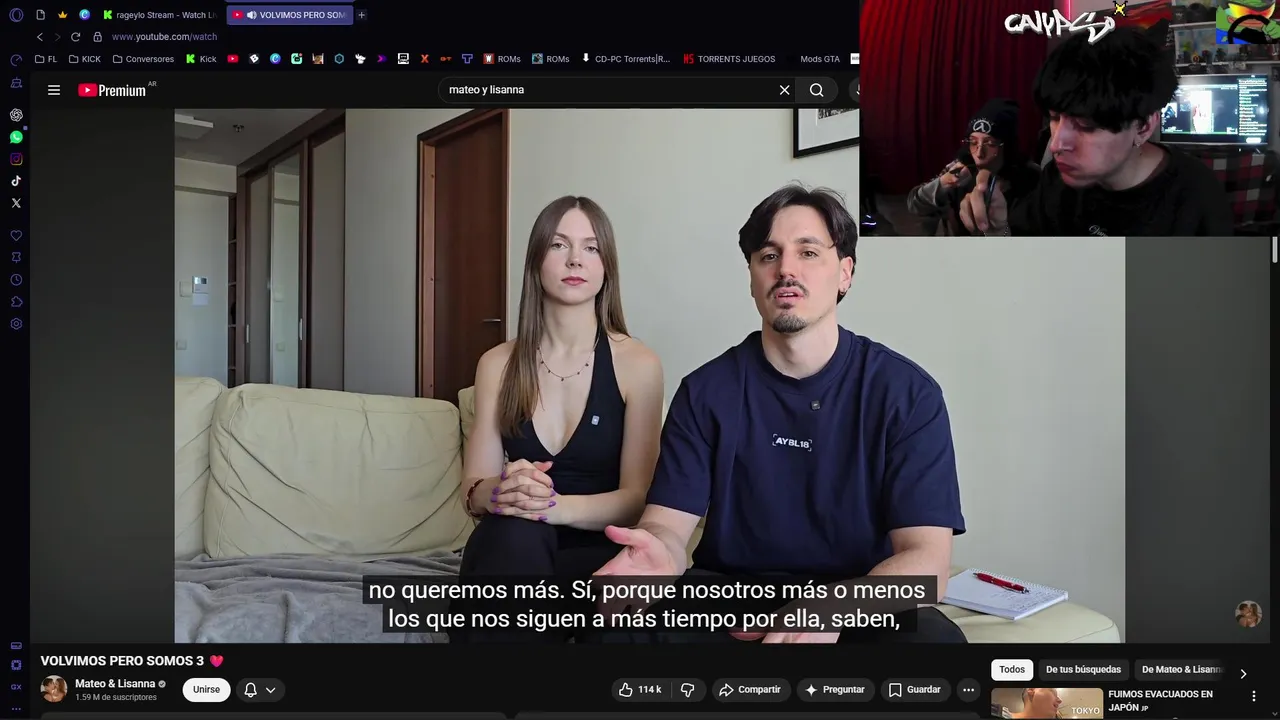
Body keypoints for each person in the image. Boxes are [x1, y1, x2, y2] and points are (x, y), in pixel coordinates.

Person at [594, 184, 967, 644]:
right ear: (752, 278)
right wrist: (659, 554)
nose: (786, 269)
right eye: (768, 256)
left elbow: (928, 563)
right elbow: (668, 525)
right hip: (729, 600)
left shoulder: (908, 394)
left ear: (845, 273)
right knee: (613, 634)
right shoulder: (705, 392)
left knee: (934, 644)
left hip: (854, 602)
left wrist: (828, 611)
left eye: (808, 252)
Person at [451, 196, 665, 643]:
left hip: (595, 552)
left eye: (591, 247)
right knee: (514, 535)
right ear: (536, 260)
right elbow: (474, 491)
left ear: (606, 266)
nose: (575, 259)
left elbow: (637, 499)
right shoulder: (497, 363)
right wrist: (503, 491)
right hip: (511, 550)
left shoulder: (638, 364)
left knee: (526, 534)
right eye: (558, 244)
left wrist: (551, 507)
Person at [960, 29, 1234, 237]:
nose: (1056, 145)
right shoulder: (1058, 180)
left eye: (1086, 125)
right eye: (1054, 118)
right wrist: (998, 230)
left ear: (1143, 127)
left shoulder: (1196, 197)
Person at [907, 99, 1040, 236]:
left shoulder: (1031, 176)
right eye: (973, 142)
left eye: (990, 143)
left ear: (1006, 146)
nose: (979, 153)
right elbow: (914, 204)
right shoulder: (959, 168)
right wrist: (943, 184)